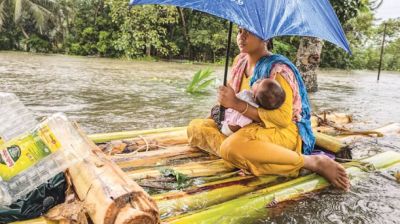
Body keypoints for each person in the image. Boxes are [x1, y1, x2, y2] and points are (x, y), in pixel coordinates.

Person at [187, 28, 350, 191]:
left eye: (248, 32)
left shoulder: (277, 70)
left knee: (231, 148)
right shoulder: (240, 61)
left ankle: (310, 162)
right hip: (245, 127)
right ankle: (250, 157)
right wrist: (212, 117)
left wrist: (236, 104)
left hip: (280, 132)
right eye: (239, 31)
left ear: (265, 36)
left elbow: (282, 119)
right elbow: (229, 102)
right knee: (196, 127)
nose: (241, 36)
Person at [211, 78, 286, 136]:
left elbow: (231, 100)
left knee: (215, 109)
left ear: (255, 94)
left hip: (225, 127)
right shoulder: (257, 109)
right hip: (229, 124)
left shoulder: (247, 96)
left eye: (259, 83)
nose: (259, 80)